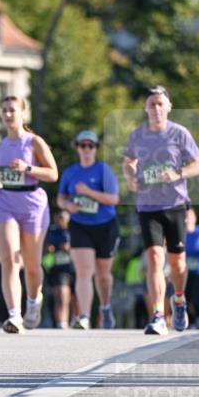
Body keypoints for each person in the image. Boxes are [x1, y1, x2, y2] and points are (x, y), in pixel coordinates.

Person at [123, 85, 199, 335]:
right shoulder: (137, 135)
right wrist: (130, 177)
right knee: (154, 260)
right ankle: (158, 314)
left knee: (177, 264)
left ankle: (178, 299)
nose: (156, 108)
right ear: (146, 108)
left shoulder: (180, 134)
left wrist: (177, 173)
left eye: (160, 103)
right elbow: (128, 161)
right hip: (148, 206)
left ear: (168, 107)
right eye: (152, 104)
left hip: (176, 205)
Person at [0, 95, 58, 333]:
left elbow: (53, 174)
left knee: (32, 265)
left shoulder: (34, 142)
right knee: (9, 260)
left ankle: (33, 303)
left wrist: (28, 168)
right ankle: (14, 315)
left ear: (23, 113)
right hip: (5, 202)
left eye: (12, 110)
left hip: (32, 203)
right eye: (4, 110)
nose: (7, 115)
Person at [57, 129, 119, 329]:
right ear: (77, 148)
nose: (86, 149)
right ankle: (83, 316)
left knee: (103, 275)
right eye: (82, 145)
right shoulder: (70, 172)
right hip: (80, 225)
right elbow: (61, 198)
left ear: (95, 149)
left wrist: (88, 192)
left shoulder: (103, 170)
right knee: (84, 271)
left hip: (105, 225)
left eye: (90, 146)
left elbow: (113, 199)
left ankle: (105, 307)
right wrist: (68, 206)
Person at [44, 209, 76, 329]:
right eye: (59, 218)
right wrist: (50, 248)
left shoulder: (74, 231)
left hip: (74, 267)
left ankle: (76, 320)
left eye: (63, 218)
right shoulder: (52, 231)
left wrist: (69, 248)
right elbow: (45, 246)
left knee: (75, 297)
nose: (60, 221)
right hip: (59, 269)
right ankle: (62, 323)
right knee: (62, 296)